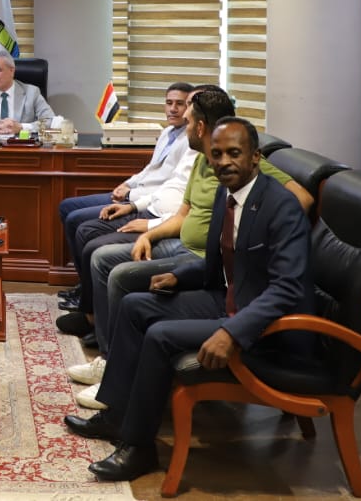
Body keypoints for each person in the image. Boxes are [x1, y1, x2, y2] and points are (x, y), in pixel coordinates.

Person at [63, 117, 315, 481]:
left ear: (255, 157)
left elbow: (287, 288)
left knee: (160, 334)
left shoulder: (282, 206)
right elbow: (222, 263)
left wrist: (232, 333)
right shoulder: (226, 195)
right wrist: (180, 276)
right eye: (217, 154)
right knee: (135, 305)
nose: (224, 161)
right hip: (230, 298)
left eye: (234, 153)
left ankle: (139, 448)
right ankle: (116, 416)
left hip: (267, 327)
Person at [55, 82, 195, 316]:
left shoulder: (190, 142)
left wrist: (132, 199)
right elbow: (150, 169)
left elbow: (168, 187)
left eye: (180, 104)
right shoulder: (167, 132)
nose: (173, 109)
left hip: (146, 201)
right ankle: (85, 286)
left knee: (78, 222)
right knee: (67, 208)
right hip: (136, 193)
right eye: (169, 103)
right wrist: (128, 184)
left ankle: (87, 296)